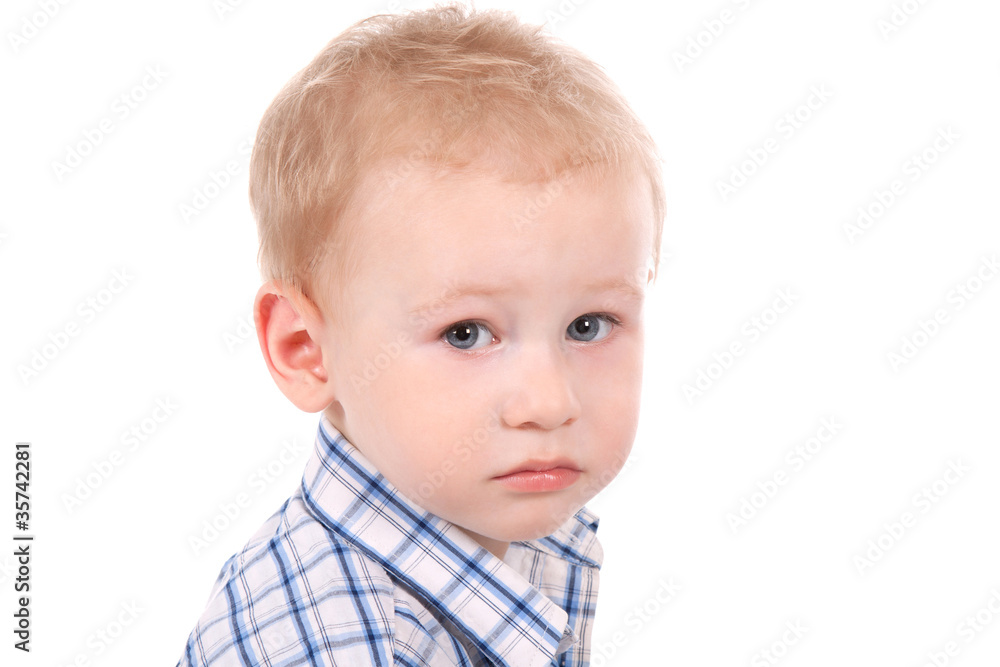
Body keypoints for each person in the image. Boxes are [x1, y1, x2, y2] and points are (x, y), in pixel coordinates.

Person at [178, 4, 664, 665]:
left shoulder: (506, 527)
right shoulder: (348, 639)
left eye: (588, 324)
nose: (550, 402)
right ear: (306, 349)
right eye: (466, 333)